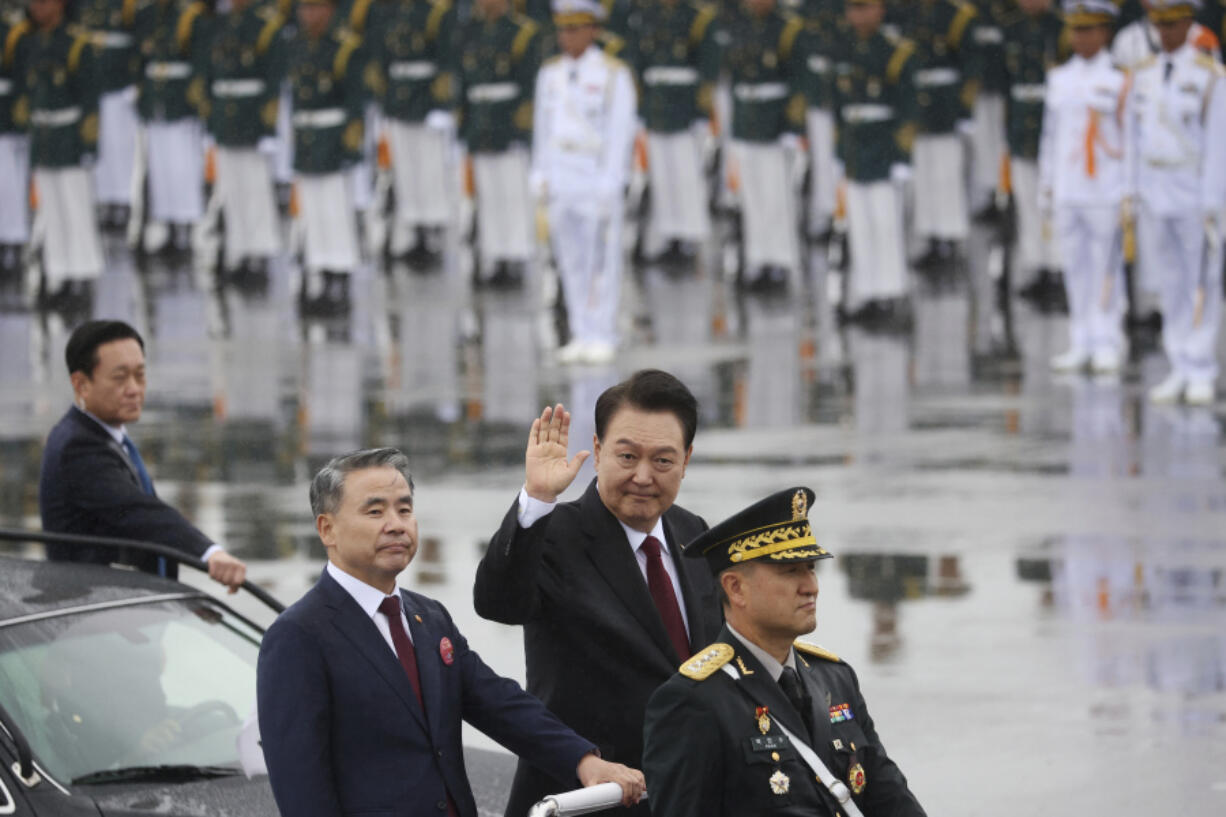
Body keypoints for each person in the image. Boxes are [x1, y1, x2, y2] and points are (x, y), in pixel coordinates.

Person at [257, 447, 645, 817]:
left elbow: (499, 703)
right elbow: (302, 789)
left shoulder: (429, 617)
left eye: (404, 508)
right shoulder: (299, 636)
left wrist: (584, 761)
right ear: (327, 529)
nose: (396, 524)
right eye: (375, 511)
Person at [473, 368, 723, 817]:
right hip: (585, 798)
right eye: (627, 457)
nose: (644, 476)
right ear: (599, 449)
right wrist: (536, 499)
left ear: (686, 459)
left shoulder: (695, 535)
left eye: (663, 461)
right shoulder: (553, 535)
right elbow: (498, 602)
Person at [642, 487, 928, 817]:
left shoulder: (835, 678)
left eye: (811, 568)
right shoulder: (694, 701)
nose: (811, 586)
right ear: (736, 588)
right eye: (790, 571)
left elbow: (889, 796)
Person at [38, 319, 247, 590]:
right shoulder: (77, 448)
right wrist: (209, 553)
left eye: (140, 375)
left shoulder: (106, 436)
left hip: (128, 604)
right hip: (93, 611)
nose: (134, 389)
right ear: (81, 384)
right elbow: (140, 514)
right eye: (120, 377)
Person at [1128, 0, 1226, 405]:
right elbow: (1136, 138)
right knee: (1170, 281)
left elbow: (1219, 145)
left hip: (1193, 188)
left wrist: (1213, 202)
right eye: (1159, 25)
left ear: (1188, 24)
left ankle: (1201, 365)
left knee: (1201, 281)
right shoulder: (1143, 75)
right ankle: (1179, 362)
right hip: (1155, 187)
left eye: (1173, 25)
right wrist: (1133, 191)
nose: (1165, 33)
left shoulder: (1209, 76)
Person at [532, 0, 636, 364]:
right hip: (562, 173)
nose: (567, 37)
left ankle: (603, 331)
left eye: (575, 28)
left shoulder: (612, 74)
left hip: (594, 174)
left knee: (601, 261)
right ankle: (580, 330)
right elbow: (543, 131)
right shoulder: (550, 74)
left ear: (593, 30)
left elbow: (621, 132)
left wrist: (613, 180)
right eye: (562, 29)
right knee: (570, 258)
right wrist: (540, 173)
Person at [1038, 0, 1131, 374]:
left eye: (1088, 29)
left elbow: (1129, 139)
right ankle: (1081, 339)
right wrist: (1047, 185)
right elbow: (1050, 136)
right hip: (1069, 188)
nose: (1080, 37)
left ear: (1104, 32)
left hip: (1105, 189)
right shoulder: (1059, 78)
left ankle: (1108, 338)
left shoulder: (1120, 78)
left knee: (1106, 269)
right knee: (1075, 268)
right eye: (1075, 30)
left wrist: (1128, 189)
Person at [11, 0, 105, 312]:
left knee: (75, 207)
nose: (37, 7)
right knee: (50, 209)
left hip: (69, 136)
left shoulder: (77, 43)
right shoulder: (31, 42)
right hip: (45, 135)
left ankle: (82, 275)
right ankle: (59, 274)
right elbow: (29, 89)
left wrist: (88, 145)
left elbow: (90, 96)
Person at [833, 0, 919, 331]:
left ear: (880, 10)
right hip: (856, 147)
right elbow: (840, 106)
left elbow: (909, 108)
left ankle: (891, 293)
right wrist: (839, 150)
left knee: (885, 223)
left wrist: (902, 156)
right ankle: (868, 292)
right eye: (853, 8)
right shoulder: (844, 50)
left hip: (884, 148)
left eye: (865, 7)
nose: (859, 15)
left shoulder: (895, 51)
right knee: (861, 224)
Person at [626, 0, 720, 266]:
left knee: (686, 173)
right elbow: (638, 59)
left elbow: (708, 64)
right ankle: (669, 235)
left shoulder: (699, 18)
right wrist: (642, 104)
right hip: (657, 103)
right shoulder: (646, 15)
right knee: (662, 175)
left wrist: (701, 110)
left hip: (684, 105)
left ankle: (690, 236)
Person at [287, 0, 365, 316]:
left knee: (335, 209)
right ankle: (318, 270)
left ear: (330, 11)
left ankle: (340, 274)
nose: (310, 15)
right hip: (307, 138)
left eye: (316, 8)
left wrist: (350, 147)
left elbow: (355, 102)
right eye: (305, 8)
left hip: (332, 140)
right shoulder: (298, 45)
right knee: (313, 210)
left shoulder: (345, 48)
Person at [723, 0, 805, 293]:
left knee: (776, 196)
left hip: (775, 122)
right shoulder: (740, 27)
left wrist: (792, 127)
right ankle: (758, 259)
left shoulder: (788, 29)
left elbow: (799, 79)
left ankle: (780, 261)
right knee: (752, 196)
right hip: (748, 120)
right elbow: (735, 77)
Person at [201, 0, 285, 285]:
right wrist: (210, 121)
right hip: (225, 114)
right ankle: (238, 249)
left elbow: (273, 79)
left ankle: (259, 253)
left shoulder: (264, 27)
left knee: (255, 188)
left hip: (251, 118)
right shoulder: (218, 25)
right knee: (231, 188)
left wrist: (268, 127)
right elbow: (210, 74)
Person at [372, 0, 458, 265]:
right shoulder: (388, 11)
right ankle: (413, 229)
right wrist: (385, 99)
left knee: (429, 168)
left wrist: (442, 104)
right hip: (399, 98)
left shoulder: (435, 13)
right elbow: (382, 57)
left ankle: (432, 230)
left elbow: (446, 57)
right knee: (406, 169)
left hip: (425, 99)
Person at [896, 0, 978, 272]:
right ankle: (931, 236)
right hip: (919, 105)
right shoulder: (906, 11)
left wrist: (965, 110)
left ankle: (950, 238)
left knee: (946, 173)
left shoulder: (956, 14)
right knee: (924, 175)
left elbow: (969, 64)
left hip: (945, 105)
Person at [132, 0, 211, 257]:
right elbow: (141, 58)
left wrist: (196, 97)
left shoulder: (190, 17)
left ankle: (185, 229)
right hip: (157, 98)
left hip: (180, 100)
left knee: (183, 166)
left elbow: (201, 59)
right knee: (160, 167)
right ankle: (166, 224)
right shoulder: (148, 15)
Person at [1002, 0, 1065, 305]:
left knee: (1053, 201)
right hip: (1020, 128)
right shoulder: (1011, 29)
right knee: (1027, 203)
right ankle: (1036, 266)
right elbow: (1005, 82)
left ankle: (1058, 267)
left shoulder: (1062, 29)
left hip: (1049, 126)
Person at [73, 0, 139, 232]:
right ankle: (101, 200)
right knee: (96, 142)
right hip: (91, 82)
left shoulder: (127, 5)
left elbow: (138, 38)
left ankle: (122, 200)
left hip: (119, 82)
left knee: (121, 145)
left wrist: (135, 78)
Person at [0, 8, 30, 275]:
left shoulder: (15, 33)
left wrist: (19, 119)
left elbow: (22, 77)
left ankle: (12, 242)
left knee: (8, 185)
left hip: (5, 119)